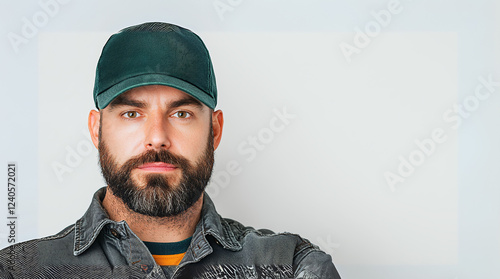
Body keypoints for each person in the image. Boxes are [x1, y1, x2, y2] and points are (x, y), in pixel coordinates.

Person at [0, 22, 341, 278]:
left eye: (181, 114)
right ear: (96, 129)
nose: (157, 137)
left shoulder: (290, 265)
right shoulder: (18, 271)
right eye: (132, 113)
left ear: (215, 130)